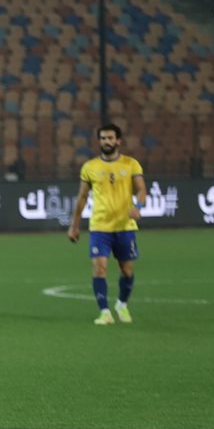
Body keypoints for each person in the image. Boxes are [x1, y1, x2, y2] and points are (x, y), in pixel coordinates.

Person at [67, 123, 146, 325]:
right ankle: (104, 312)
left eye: (110, 138)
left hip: (125, 227)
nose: (106, 141)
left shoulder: (131, 164)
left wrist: (138, 206)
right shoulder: (90, 167)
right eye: (103, 138)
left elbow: (141, 190)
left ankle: (122, 304)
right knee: (99, 268)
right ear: (99, 141)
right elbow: (82, 197)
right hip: (99, 227)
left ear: (118, 141)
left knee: (127, 270)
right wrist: (74, 225)